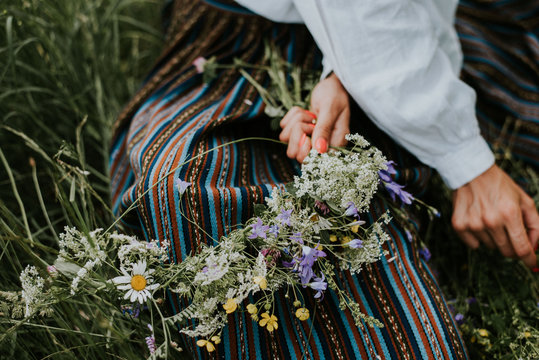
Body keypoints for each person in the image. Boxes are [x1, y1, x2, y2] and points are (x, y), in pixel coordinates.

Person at [109, 0, 538, 358]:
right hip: (251, 36)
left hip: (394, 16)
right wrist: (472, 167)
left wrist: (341, 68)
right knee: (207, 194)